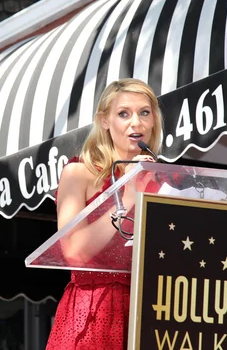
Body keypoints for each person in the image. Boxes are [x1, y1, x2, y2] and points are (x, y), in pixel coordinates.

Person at [46, 78, 163, 350]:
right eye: (124, 114)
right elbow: (74, 251)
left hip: (153, 310)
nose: (137, 122)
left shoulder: (163, 179)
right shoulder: (78, 172)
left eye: (144, 112)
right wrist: (129, 194)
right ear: (104, 121)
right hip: (96, 309)